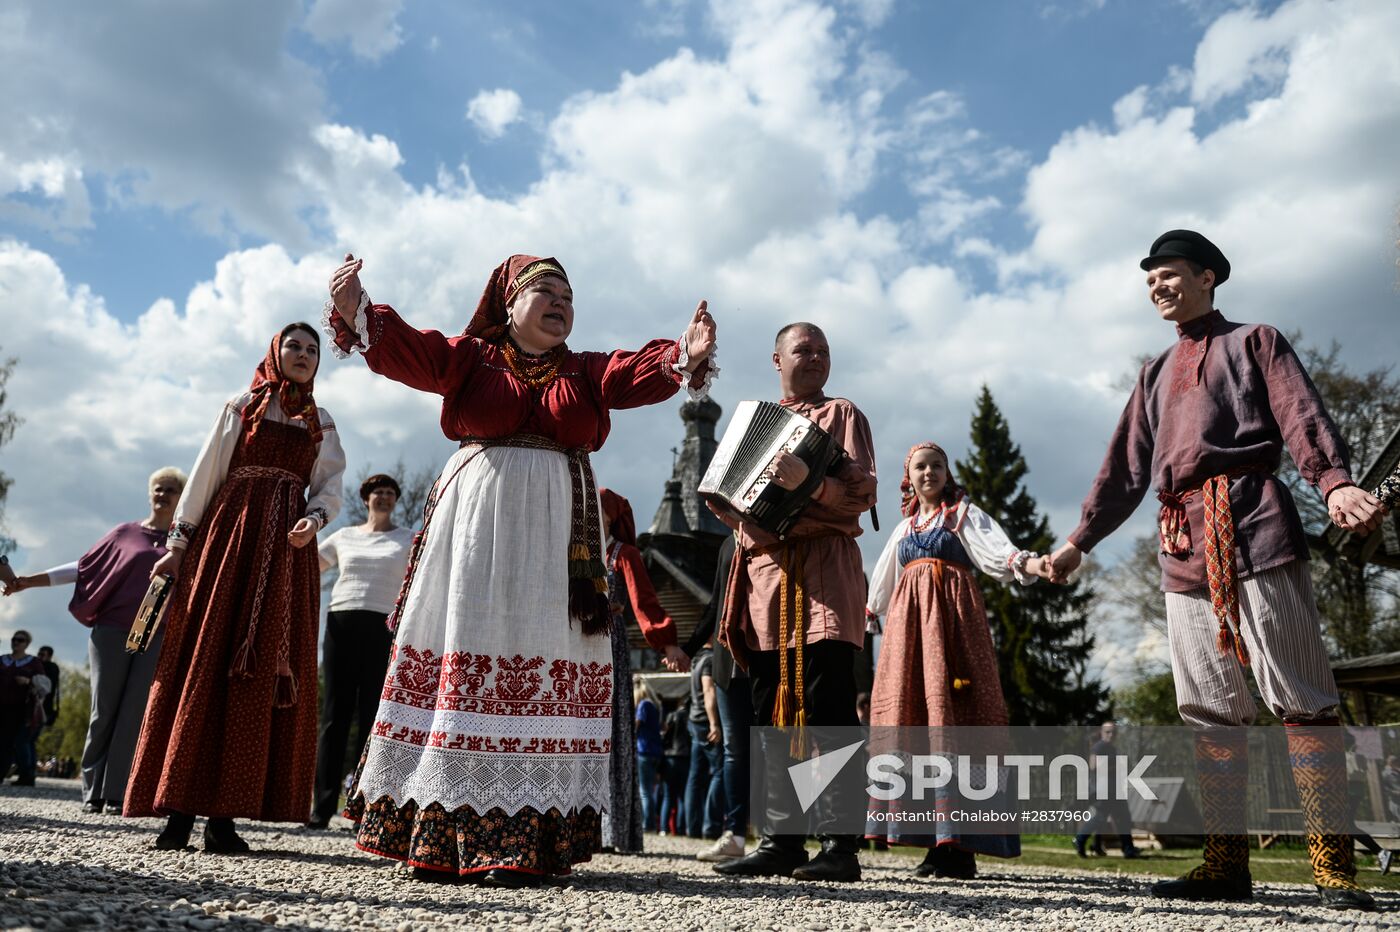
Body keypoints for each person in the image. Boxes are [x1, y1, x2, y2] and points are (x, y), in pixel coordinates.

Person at [325, 252, 716, 887]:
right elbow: (413, 352)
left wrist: (683, 353)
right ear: (509, 306)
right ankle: (441, 828)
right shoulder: (471, 360)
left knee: (540, 653)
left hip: (558, 543)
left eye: (569, 295)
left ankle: (525, 836)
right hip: (477, 529)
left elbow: (633, 373)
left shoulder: (586, 372)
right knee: (469, 650)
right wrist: (358, 313)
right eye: (547, 292)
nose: (562, 303)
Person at [1047, 230, 1384, 911]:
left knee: (1300, 692)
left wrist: (1336, 483)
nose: (1157, 289)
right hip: (1180, 545)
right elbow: (1123, 471)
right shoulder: (1151, 373)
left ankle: (1332, 867)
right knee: (1206, 706)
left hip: (1254, 523)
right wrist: (1079, 541)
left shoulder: (1256, 340)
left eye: (1168, 275)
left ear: (1207, 276)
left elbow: (1300, 415)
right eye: (1150, 281)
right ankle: (1225, 864)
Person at [124, 323, 345, 854]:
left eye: (313, 350)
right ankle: (176, 811)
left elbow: (330, 487)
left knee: (257, 672)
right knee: (205, 660)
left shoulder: (322, 421)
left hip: (286, 561)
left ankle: (223, 817)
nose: (304, 354)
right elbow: (204, 477)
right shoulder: (241, 406)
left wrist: (314, 520)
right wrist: (178, 546)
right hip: (229, 545)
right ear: (275, 352)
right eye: (294, 345)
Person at [713, 322, 877, 884]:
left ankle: (839, 845)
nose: (815, 358)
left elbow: (862, 495)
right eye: (803, 349)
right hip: (764, 580)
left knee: (828, 708)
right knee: (769, 713)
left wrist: (812, 482)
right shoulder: (749, 424)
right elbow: (728, 499)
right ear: (776, 359)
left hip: (824, 571)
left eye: (823, 350)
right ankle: (780, 840)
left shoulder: (843, 415)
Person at [865, 442, 1050, 878]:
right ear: (907, 477)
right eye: (919, 467)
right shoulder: (904, 529)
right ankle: (936, 840)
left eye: (936, 465)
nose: (928, 472)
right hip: (911, 636)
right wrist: (869, 617)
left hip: (954, 630)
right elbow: (882, 586)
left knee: (957, 721)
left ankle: (959, 846)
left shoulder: (964, 516)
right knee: (917, 723)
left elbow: (998, 552)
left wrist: (1032, 564)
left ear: (947, 473)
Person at [4, 467, 187, 813]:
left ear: (183, 498)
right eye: (159, 489)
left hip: (156, 633)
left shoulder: (185, 543)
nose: (164, 495)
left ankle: (116, 793)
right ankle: (92, 791)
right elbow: (83, 567)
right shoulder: (125, 533)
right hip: (113, 630)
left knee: (134, 712)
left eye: (172, 490)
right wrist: (28, 581)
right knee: (103, 710)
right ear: (150, 493)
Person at [308, 473, 414, 829]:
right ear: (366, 498)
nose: (383, 498)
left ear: (395, 501)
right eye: (377, 492)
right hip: (341, 625)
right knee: (334, 716)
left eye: (389, 493)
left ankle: (363, 808)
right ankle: (321, 807)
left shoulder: (409, 540)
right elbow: (308, 566)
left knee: (372, 715)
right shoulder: (343, 537)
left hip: (383, 629)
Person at [597, 488, 688, 853]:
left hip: (607, 642)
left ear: (608, 517)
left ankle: (611, 828)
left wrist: (667, 643)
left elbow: (644, 601)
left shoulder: (624, 555)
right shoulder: (574, 551)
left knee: (614, 727)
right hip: (572, 646)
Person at [689, 533, 753, 863]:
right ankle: (735, 833)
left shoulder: (775, 533)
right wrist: (688, 648)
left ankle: (781, 836)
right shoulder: (728, 545)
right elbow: (715, 604)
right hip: (728, 661)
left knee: (775, 744)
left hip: (765, 655)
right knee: (734, 751)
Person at [1073, 723, 1141, 859]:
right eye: (1108, 732)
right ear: (1102, 733)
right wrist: (1115, 766)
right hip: (1103, 790)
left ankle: (1128, 849)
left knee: (1123, 819)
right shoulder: (1099, 747)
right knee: (1101, 817)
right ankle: (1080, 839)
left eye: (1114, 732)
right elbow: (1093, 766)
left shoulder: (1111, 748)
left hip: (1114, 790)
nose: (1111, 735)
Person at [685, 643, 724, 840]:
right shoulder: (709, 659)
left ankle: (693, 828)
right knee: (720, 772)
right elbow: (709, 691)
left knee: (695, 778)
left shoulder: (696, 660)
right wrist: (714, 723)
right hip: (704, 722)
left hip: (694, 720)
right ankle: (712, 827)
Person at [0, 631, 45, 785]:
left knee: (21, 742)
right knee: (3, 742)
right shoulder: (2, 660)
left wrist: (28, 681)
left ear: (27, 643)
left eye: (20, 640)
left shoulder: (33, 662)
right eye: (14, 639)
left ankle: (27, 776)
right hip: (2, 708)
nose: (16, 642)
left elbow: (44, 685)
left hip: (24, 709)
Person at [634, 681, 664, 835]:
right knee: (650, 790)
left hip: (644, 751)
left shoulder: (643, 705)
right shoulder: (654, 706)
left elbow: (635, 726)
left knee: (644, 791)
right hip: (655, 752)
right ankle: (650, 823)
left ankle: (647, 824)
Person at [661, 697, 692, 835]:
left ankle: (663, 828)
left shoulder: (671, 715)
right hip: (684, 757)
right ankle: (680, 829)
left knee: (668, 796)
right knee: (682, 796)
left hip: (670, 757)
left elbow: (665, 736)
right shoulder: (690, 718)